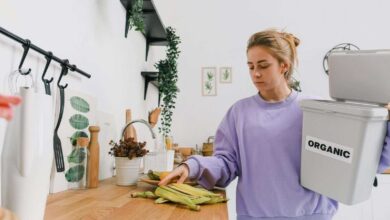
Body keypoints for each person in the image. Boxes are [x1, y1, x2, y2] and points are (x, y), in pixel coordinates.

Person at [159, 29, 390, 219]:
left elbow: (360, 161)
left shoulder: (316, 109)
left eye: (263, 65)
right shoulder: (239, 113)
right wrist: (192, 166)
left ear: (284, 66)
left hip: (312, 214)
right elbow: (226, 164)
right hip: (255, 216)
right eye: (250, 67)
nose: (255, 74)